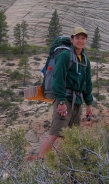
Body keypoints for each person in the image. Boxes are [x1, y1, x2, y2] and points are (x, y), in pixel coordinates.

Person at [38, 26, 93, 159]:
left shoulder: (85, 60)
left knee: (71, 134)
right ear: (71, 39)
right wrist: (61, 102)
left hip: (78, 101)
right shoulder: (65, 55)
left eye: (83, 38)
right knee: (56, 131)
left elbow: (87, 83)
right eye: (77, 38)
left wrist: (89, 104)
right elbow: (58, 79)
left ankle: (66, 163)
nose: (80, 41)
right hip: (65, 99)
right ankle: (39, 163)